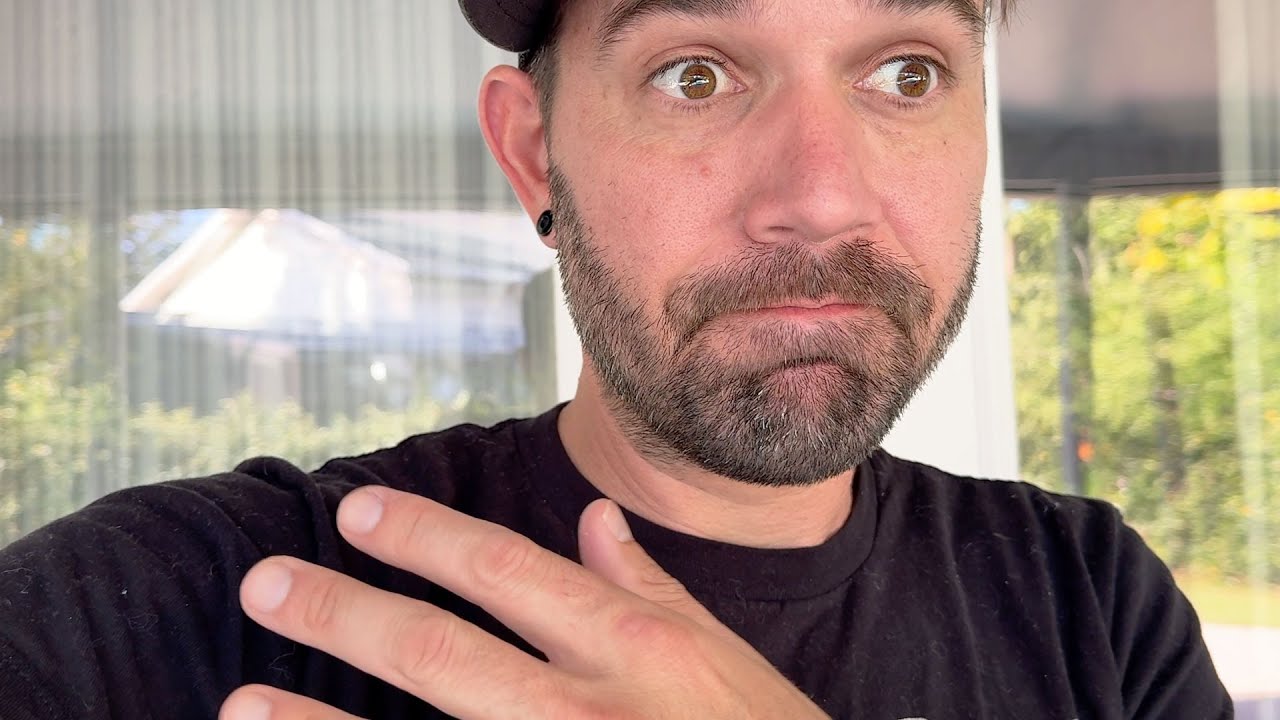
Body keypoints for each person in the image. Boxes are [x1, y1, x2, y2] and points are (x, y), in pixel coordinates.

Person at [0, 0, 1232, 718]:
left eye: (904, 73)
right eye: (694, 75)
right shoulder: (181, 601)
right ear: (532, 153)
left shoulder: (1090, 603)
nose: (820, 197)